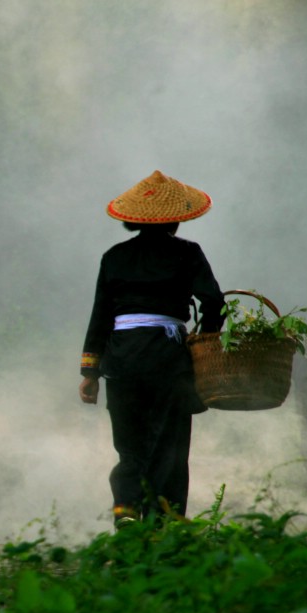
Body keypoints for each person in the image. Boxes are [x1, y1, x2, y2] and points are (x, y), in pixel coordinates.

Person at [79, 170, 224, 525]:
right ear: (176, 219)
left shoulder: (114, 257)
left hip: (123, 359)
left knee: (130, 446)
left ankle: (126, 511)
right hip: (168, 359)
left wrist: (90, 372)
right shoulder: (188, 253)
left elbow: (101, 316)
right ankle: (164, 523)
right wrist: (206, 342)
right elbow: (214, 303)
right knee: (169, 447)